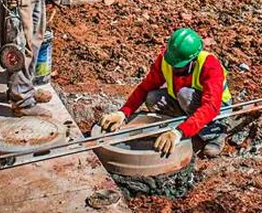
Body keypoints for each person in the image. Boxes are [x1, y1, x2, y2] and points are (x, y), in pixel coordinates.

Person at [99, 28, 232, 158]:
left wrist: (179, 132)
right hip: (184, 101)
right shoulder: (166, 60)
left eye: (179, 66)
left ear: (193, 60)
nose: (174, 68)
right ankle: (188, 123)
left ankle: (215, 133)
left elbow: (211, 106)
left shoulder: (209, 65)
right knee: (153, 98)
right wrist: (124, 112)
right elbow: (145, 87)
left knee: (184, 95)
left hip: (218, 107)